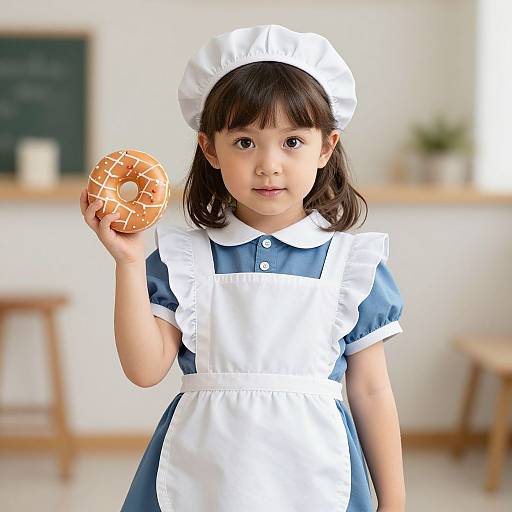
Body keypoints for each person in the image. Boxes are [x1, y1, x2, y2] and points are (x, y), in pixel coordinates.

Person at [80, 24, 406, 512]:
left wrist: (394, 501)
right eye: (245, 142)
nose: (269, 164)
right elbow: (145, 370)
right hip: (203, 476)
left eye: (292, 141)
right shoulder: (182, 260)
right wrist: (128, 263)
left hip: (316, 476)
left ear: (326, 147)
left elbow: (372, 390)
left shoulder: (352, 265)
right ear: (211, 149)